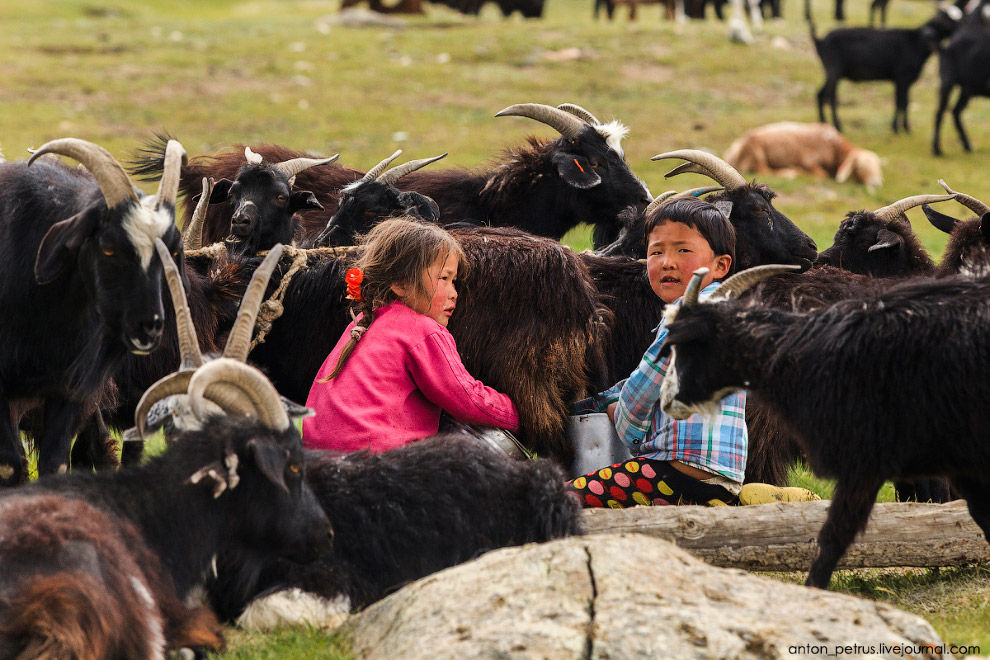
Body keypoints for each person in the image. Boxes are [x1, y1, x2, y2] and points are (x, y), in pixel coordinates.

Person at [566, 196, 746, 508]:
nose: (667, 262)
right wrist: (602, 400)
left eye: (683, 250)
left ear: (721, 265)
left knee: (561, 497)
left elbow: (638, 395)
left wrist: (620, 418)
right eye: (656, 252)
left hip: (675, 476)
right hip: (723, 478)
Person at [303, 217, 519, 453]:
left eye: (454, 281)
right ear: (401, 284)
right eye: (443, 279)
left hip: (319, 456)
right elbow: (468, 400)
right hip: (376, 460)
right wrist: (518, 413)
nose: (453, 293)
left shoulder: (363, 323)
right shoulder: (421, 330)